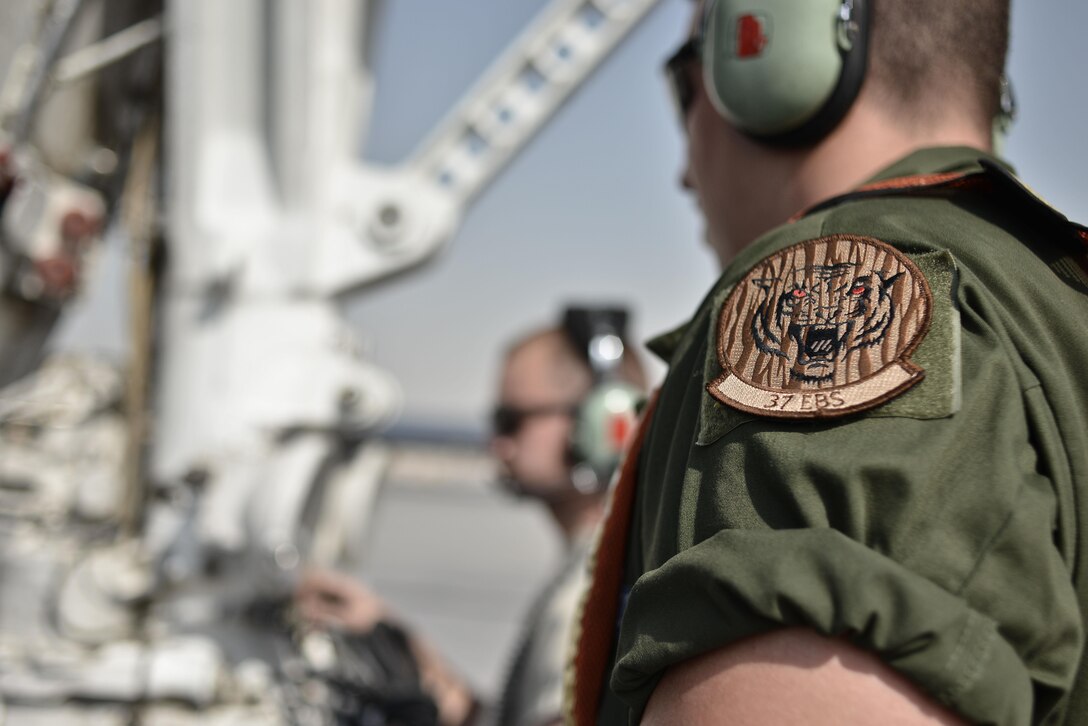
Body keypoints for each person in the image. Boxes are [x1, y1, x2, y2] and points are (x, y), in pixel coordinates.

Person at [569, 1, 1088, 725]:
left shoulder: (828, 275)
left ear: (777, 48)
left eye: (688, 88)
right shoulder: (1049, 301)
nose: (685, 172)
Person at [296, 307, 648, 726]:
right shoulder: (599, 564)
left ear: (605, 423)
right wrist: (392, 638)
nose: (496, 443)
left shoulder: (597, 587)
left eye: (511, 421)